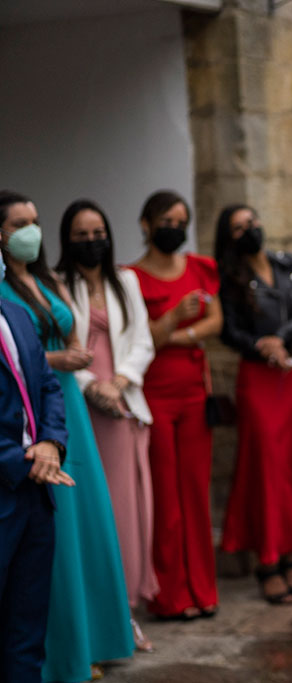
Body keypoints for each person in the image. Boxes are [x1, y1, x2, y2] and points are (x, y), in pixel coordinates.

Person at [0, 191, 135, 680]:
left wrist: (72, 355)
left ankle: (99, 638)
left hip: (67, 409)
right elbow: (22, 355)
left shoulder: (45, 279)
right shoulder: (4, 290)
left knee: (86, 523)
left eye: (35, 221)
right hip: (32, 406)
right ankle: (65, 650)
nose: (31, 231)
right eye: (20, 224)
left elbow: (69, 332)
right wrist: (58, 361)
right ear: (1, 234)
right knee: (56, 534)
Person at [58, 199, 159, 652]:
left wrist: (119, 382)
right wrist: (90, 386)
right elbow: (61, 346)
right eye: (81, 235)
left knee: (130, 513)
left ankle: (127, 613)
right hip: (83, 410)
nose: (91, 241)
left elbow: (143, 339)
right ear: (67, 239)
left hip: (123, 407)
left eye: (97, 232)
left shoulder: (127, 281)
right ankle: (103, 614)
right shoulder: (58, 285)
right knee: (98, 516)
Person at [215, 204, 292, 604]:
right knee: (265, 466)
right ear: (229, 237)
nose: (249, 229)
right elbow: (229, 330)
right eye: (239, 226)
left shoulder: (287, 264)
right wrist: (263, 347)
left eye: (252, 222)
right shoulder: (230, 278)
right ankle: (268, 560)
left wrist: (281, 337)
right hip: (259, 379)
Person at [129, 190, 224, 620]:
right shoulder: (130, 278)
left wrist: (179, 335)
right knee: (165, 498)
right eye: (166, 220)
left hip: (192, 392)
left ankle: (203, 590)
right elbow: (137, 339)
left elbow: (215, 321)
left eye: (181, 220)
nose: (175, 227)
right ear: (147, 224)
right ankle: (170, 596)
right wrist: (172, 318)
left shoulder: (200, 267)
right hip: (153, 395)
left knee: (195, 494)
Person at [0, 239, 71, 683]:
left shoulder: (18, 314)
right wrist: (17, 458)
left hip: (35, 492)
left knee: (26, 629)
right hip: (9, 479)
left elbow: (47, 385)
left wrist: (50, 444)